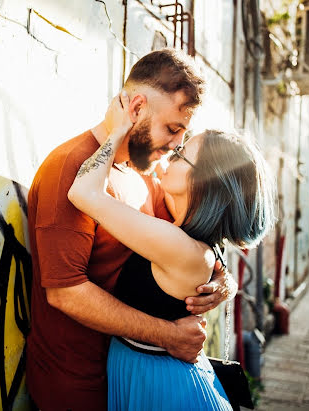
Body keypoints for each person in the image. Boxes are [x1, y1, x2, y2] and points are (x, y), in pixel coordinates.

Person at [25, 48, 238, 410]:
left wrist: (222, 282)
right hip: (76, 384)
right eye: (172, 129)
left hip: (126, 379)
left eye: (182, 136)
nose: (174, 146)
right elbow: (66, 293)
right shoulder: (71, 168)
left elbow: (184, 245)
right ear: (136, 108)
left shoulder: (143, 175)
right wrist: (169, 335)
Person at [67, 91, 275, 410]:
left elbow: (82, 192)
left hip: (164, 387)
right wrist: (227, 283)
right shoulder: (189, 237)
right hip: (154, 377)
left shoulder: (179, 246)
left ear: (204, 181)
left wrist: (119, 128)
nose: (167, 157)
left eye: (180, 154)